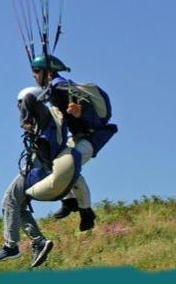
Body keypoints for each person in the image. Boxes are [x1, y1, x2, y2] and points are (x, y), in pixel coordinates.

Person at [29, 54, 116, 231]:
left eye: (36, 70)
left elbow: (84, 111)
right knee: (57, 165)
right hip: (76, 137)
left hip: (91, 136)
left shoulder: (62, 87)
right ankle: (70, 201)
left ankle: (86, 212)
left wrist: (78, 113)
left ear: (48, 72)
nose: (33, 75)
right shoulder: (53, 90)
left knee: (70, 167)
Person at [0, 88, 58, 267]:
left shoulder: (40, 111)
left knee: (9, 200)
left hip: (37, 169)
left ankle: (11, 246)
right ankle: (39, 242)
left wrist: (26, 117)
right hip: (43, 167)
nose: (19, 109)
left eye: (19, 105)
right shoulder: (48, 118)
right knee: (17, 207)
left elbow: (29, 99)